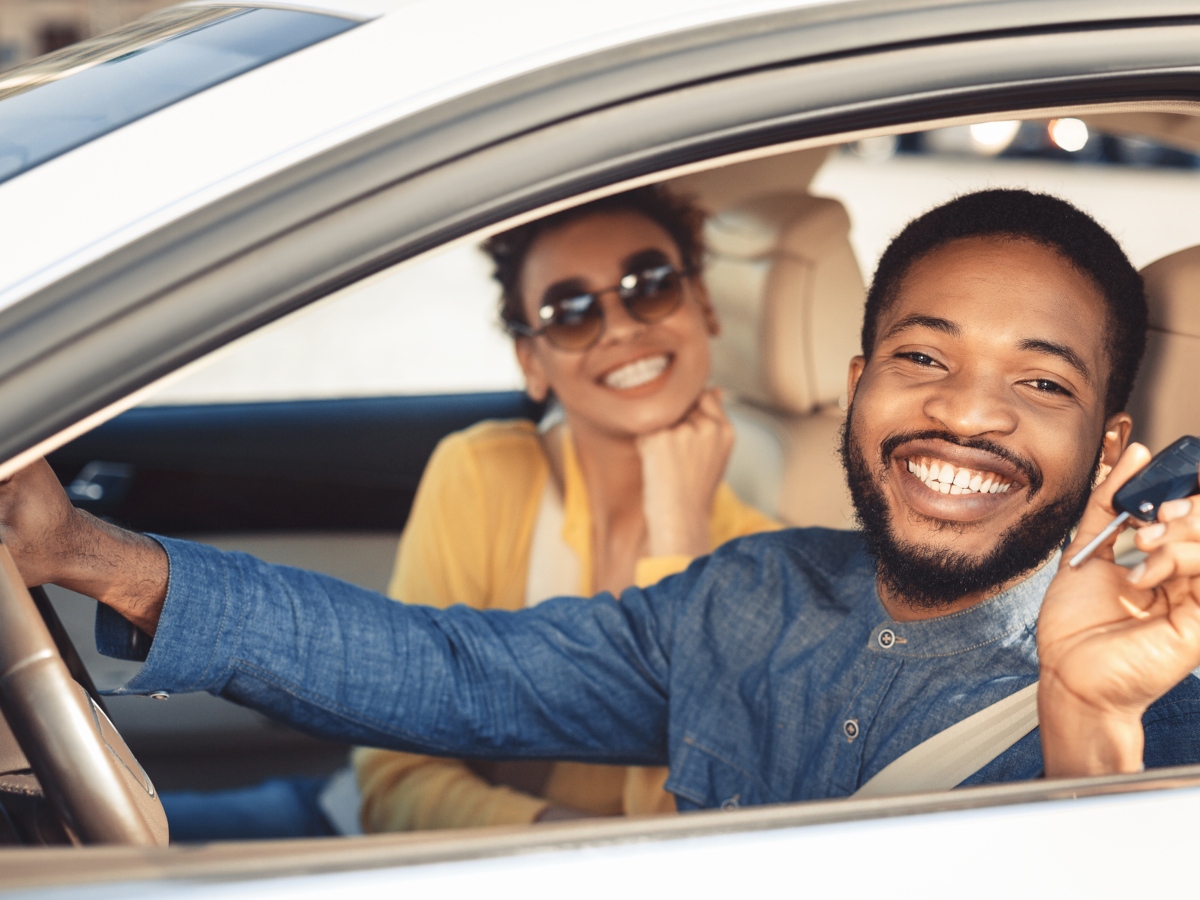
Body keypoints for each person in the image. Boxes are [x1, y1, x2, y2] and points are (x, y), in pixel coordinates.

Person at [5, 189, 1200, 805]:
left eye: (1040, 382)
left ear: (1108, 453)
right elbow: (451, 672)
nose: (966, 413)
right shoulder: (745, 597)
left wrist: (1088, 729)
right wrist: (88, 552)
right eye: (923, 359)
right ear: (857, 389)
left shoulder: (1162, 705)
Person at [355, 187, 779, 831]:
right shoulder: (480, 473)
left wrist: (680, 542)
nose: (621, 327)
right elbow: (394, 780)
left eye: (652, 284)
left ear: (705, 307)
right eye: (572, 311)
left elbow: (694, 829)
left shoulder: (768, 564)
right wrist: (561, 842)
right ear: (532, 362)